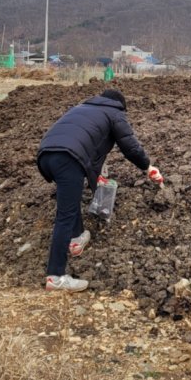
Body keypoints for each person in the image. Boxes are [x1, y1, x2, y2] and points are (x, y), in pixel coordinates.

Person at [37, 88, 163, 292]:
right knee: (65, 215)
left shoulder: (83, 107)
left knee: (69, 199)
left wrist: (97, 181)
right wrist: (148, 167)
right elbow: (129, 145)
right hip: (69, 158)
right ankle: (56, 277)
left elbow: (89, 152)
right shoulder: (115, 113)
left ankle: (77, 238)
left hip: (46, 155)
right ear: (120, 105)